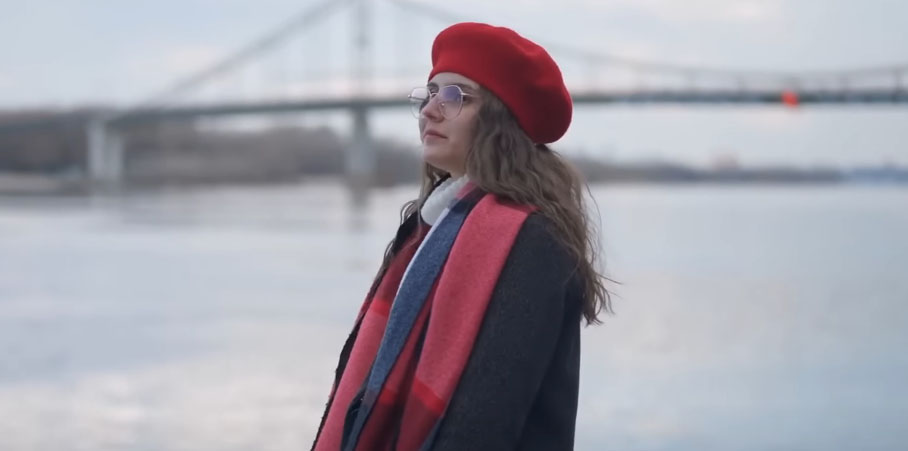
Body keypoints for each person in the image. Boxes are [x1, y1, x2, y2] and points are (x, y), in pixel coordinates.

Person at [312, 22, 612, 451]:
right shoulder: (426, 227)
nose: (429, 110)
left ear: (501, 120)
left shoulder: (532, 242)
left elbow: (486, 420)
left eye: (454, 96)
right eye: (429, 94)